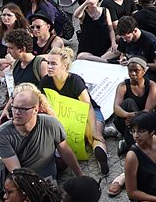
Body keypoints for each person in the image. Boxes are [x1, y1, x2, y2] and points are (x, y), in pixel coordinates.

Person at [0, 83, 83, 185]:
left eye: (23, 109)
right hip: (25, 181)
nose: (17, 112)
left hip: (47, 178)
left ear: (36, 109)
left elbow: (65, 151)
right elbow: (17, 172)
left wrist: (81, 176)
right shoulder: (2, 133)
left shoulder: (51, 123)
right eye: (14, 107)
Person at [41, 46, 111, 175]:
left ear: (64, 66)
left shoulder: (75, 81)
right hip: (66, 118)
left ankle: (102, 157)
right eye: (48, 63)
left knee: (94, 136)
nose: (49, 67)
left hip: (88, 113)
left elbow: (88, 106)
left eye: (53, 64)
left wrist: (94, 129)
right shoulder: (46, 81)